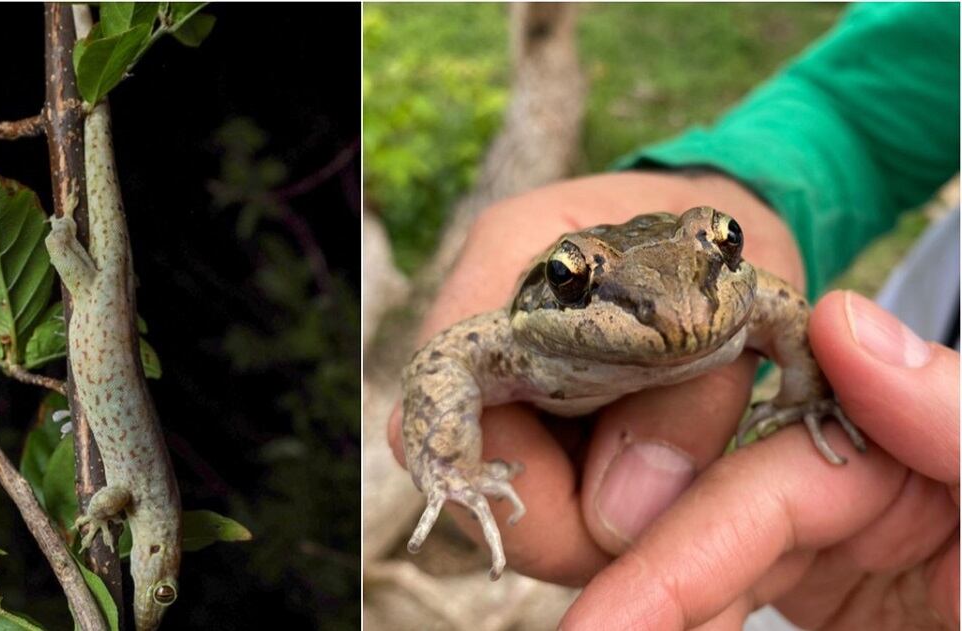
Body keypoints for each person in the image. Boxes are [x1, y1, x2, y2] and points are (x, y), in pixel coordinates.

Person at [387, 3, 959, 629]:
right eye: (573, 277)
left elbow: (781, 313)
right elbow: (444, 358)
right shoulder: (510, 345)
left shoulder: (747, 299)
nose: (678, 316)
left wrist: (808, 394)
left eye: (724, 249)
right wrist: (448, 465)